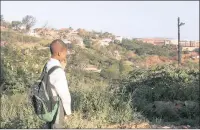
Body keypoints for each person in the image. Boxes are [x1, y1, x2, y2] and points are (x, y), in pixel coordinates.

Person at [45, 39, 71, 128]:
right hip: (56, 105)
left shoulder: (48, 65)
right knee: (56, 126)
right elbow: (64, 93)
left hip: (46, 102)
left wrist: (61, 68)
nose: (66, 55)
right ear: (59, 53)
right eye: (65, 53)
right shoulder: (58, 71)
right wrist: (68, 111)